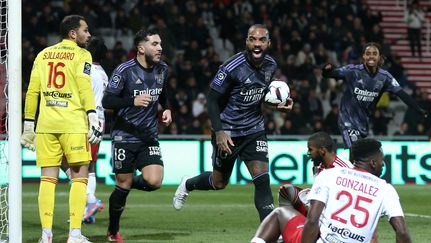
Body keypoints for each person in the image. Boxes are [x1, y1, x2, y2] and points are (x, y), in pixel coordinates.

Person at [172, 24, 293, 222]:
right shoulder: (231, 67)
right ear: (246, 41)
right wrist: (219, 131)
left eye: (261, 40)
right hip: (227, 132)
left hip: (254, 129)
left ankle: (271, 232)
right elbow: (211, 100)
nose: (256, 44)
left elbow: (258, 96)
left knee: (262, 180)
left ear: (269, 43)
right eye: (252, 39)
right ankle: (188, 184)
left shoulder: (271, 65)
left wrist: (276, 107)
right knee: (219, 182)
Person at [20, 15, 102, 243]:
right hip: (73, 124)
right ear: (73, 34)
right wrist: (92, 115)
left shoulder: (43, 54)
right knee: (79, 178)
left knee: (47, 179)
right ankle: (74, 234)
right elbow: (85, 86)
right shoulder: (82, 54)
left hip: (46, 126)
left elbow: (33, 91)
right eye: (85, 30)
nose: (89, 34)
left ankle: (46, 235)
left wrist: (29, 124)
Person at [251, 138, 412, 243]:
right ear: (373, 163)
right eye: (381, 160)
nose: (383, 164)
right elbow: (402, 232)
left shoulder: (329, 175)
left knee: (280, 213)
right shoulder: (386, 189)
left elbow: (313, 220)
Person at [102, 28, 172, 242]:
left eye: (160, 43)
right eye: (154, 44)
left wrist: (166, 108)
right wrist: (130, 101)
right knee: (123, 185)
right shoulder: (124, 70)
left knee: (154, 181)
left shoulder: (162, 69)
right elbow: (107, 101)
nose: (160, 48)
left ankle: (125, 182)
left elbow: (163, 91)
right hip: (124, 136)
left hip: (148, 136)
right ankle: (113, 231)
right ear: (141, 48)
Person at [322, 42, 428, 148]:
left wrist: (419, 109)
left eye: (374, 53)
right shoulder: (353, 71)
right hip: (347, 118)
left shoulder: (385, 77)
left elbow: (402, 94)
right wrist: (327, 69)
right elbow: (331, 73)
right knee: (355, 149)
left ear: (379, 57)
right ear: (363, 56)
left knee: (360, 154)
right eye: (368, 53)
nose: (371, 56)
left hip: (363, 121)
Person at [82, 37, 109, 223]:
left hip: (86, 119)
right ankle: (87, 210)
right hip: (100, 120)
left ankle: (90, 201)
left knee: (69, 163)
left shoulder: (86, 69)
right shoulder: (104, 73)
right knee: (90, 166)